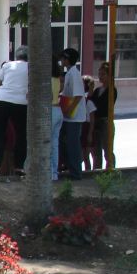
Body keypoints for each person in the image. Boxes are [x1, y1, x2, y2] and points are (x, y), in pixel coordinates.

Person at [0, 46, 29, 175]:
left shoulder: (8, 65)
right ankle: (19, 166)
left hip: (1, 99)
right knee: (21, 134)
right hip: (21, 102)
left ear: (16, 56)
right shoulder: (31, 67)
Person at [59, 47, 86, 180]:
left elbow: (78, 95)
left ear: (67, 59)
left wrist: (69, 110)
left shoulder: (74, 74)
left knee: (72, 144)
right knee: (65, 142)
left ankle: (76, 172)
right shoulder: (69, 73)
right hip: (69, 116)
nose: (61, 60)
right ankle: (70, 167)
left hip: (74, 117)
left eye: (63, 58)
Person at [91, 61, 118, 170]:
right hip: (96, 122)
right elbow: (91, 104)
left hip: (105, 121)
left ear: (109, 75)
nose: (100, 77)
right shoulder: (97, 90)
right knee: (96, 151)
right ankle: (96, 171)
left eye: (103, 74)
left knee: (107, 149)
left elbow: (104, 106)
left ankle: (110, 170)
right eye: (99, 74)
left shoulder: (112, 90)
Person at [50, 56, 64, 181]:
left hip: (49, 111)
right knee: (55, 143)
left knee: (47, 143)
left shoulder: (47, 79)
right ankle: (54, 172)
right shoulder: (57, 79)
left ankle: (49, 172)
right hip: (58, 110)